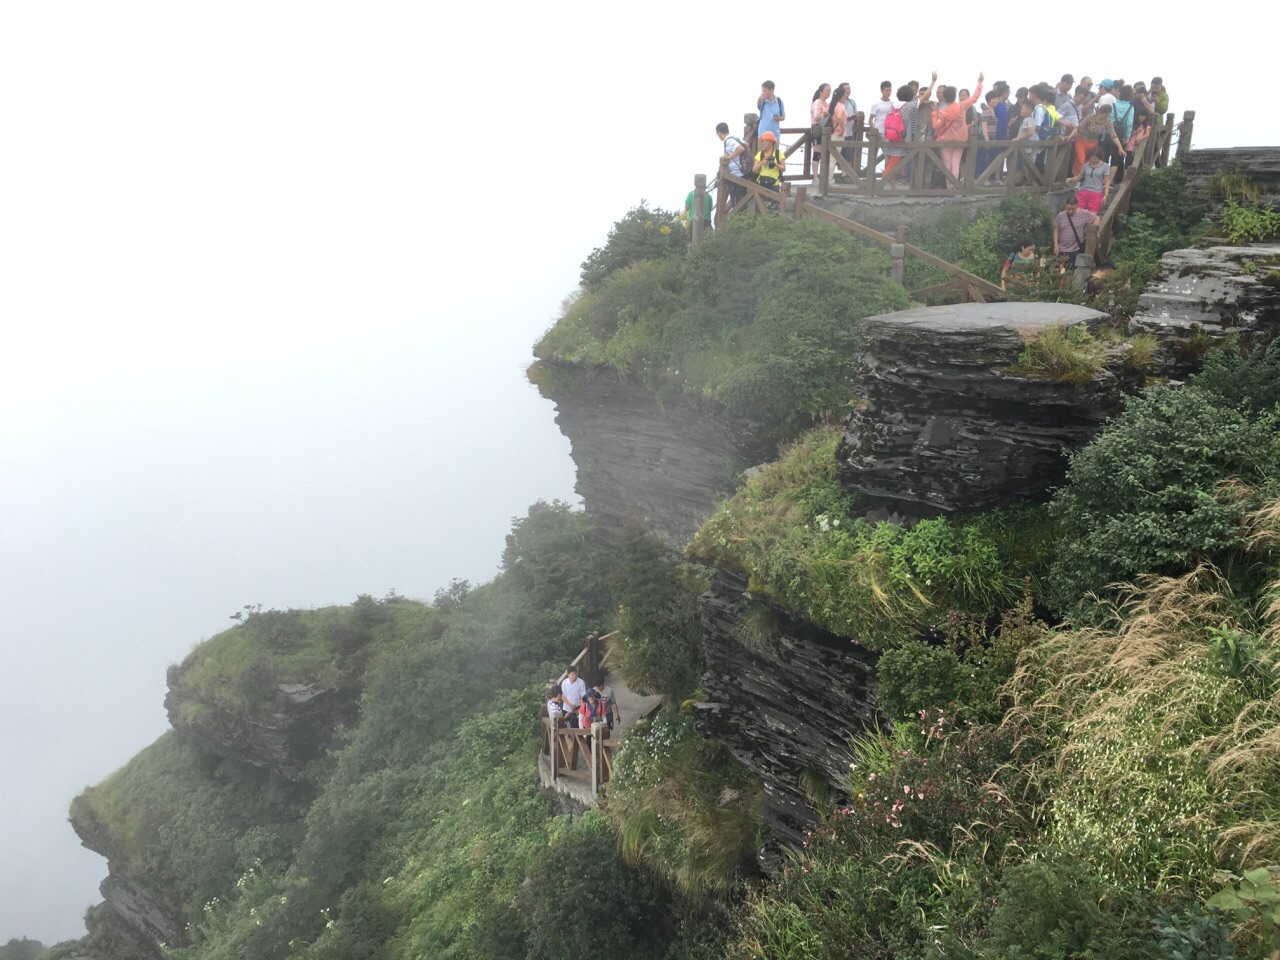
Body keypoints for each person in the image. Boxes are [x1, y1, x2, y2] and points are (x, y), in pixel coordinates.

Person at [931, 75, 983, 185]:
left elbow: (936, 125)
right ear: (955, 96)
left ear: (944, 98)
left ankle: (948, 186)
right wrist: (980, 82)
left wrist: (934, 112)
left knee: (947, 165)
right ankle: (954, 186)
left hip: (946, 140)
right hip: (961, 139)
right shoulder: (962, 106)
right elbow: (974, 97)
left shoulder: (943, 112)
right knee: (956, 164)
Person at [1053, 195, 1099, 266]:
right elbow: (1056, 230)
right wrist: (1056, 245)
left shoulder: (1084, 213)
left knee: (1072, 269)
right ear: (1065, 206)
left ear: (1077, 206)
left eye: (1073, 209)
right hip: (1061, 249)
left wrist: (1093, 232)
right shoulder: (1060, 215)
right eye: (1068, 209)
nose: (1071, 211)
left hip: (1075, 249)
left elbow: (1097, 218)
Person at [1067, 145, 1113, 214]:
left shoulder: (1105, 166)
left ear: (1099, 157)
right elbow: (1078, 177)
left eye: (1094, 158)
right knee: (1076, 213)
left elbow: (1107, 182)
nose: (1092, 160)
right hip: (1083, 191)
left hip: (1096, 193)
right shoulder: (1086, 165)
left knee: (1092, 215)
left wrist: (1105, 195)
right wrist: (1070, 179)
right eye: (1091, 158)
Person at [716, 122, 750, 209]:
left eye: (717, 134)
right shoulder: (735, 137)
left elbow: (741, 148)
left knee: (737, 201)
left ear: (719, 133)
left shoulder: (729, 141)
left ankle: (739, 220)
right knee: (742, 200)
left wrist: (730, 156)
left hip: (736, 174)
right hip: (742, 171)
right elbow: (746, 144)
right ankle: (741, 219)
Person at [810, 83, 831, 176]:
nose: (829, 92)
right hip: (818, 129)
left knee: (825, 154)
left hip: (826, 130)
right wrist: (825, 114)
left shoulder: (827, 104)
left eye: (830, 90)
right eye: (827, 90)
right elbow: (816, 117)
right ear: (820, 91)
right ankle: (815, 177)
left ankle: (823, 177)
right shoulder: (817, 103)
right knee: (817, 154)